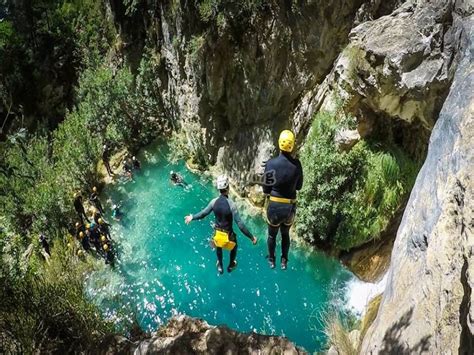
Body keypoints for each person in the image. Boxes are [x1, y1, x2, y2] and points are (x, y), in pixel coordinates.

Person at [185, 175, 257, 274]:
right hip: (228, 236)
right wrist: (252, 237)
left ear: (218, 189)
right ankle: (231, 264)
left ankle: (220, 265)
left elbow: (203, 214)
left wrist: (192, 217)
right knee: (234, 246)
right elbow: (240, 225)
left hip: (218, 235)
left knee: (218, 244)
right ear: (228, 188)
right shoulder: (232, 205)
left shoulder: (213, 202)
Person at [262, 130, 303, 270]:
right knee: (285, 234)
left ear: (279, 143)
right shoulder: (297, 165)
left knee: (272, 236)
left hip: (274, 207)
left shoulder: (270, 164)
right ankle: (284, 261)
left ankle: (271, 260)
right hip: (289, 209)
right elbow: (299, 186)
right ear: (292, 146)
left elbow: (265, 190)